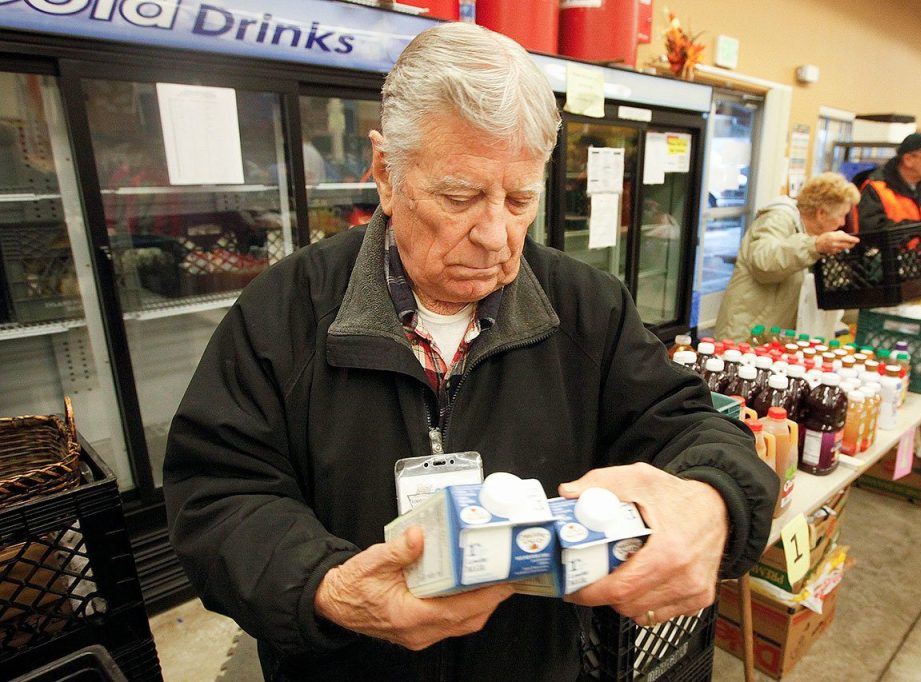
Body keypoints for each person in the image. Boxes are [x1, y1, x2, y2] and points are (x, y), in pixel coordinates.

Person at [163, 22, 777, 682]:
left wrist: (713, 500)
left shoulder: (587, 309)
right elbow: (218, 496)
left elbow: (690, 424)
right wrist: (327, 587)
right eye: (459, 197)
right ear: (384, 173)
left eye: (520, 200)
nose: (493, 235)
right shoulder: (285, 312)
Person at [715, 172, 861, 341]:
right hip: (744, 334)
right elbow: (764, 263)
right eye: (842, 215)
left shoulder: (813, 236)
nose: (842, 223)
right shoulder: (778, 218)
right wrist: (814, 246)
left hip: (771, 336)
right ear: (821, 213)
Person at [853, 132, 921, 244]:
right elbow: (871, 231)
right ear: (908, 159)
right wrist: (920, 229)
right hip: (886, 260)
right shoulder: (876, 187)